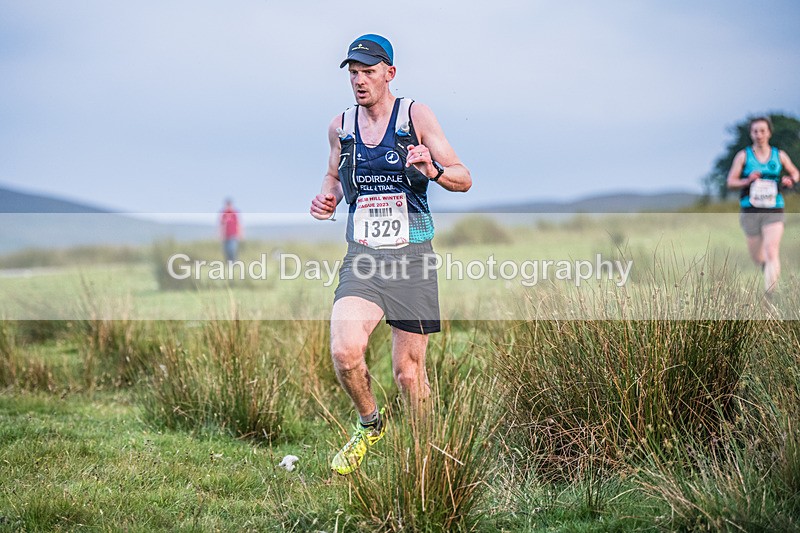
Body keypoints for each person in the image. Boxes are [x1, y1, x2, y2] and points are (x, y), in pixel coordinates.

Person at [309, 34, 471, 475]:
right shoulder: (340, 125)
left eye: (368, 71)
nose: (359, 81)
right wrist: (328, 197)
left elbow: (463, 176)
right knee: (345, 351)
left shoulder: (415, 116)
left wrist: (433, 171)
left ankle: (426, 461)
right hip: (363, 257)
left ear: (389, 73)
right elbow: (333, 177)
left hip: (412, 256)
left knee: (407, 374)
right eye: (353, 73)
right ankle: (370, 425)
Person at [727, 116, 799, 295]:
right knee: (757, 256)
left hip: (774, 208)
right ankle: (767, 270)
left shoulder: (779, 155)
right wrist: (747, 180)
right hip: (750, 209)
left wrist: (790, 179)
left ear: (769, 133)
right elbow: (731, 182)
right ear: (751, 134)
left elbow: (795, 173)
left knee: (771, 250)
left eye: (762, 131)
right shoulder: (743, 156)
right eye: (755, 131)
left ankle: (770, 296)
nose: (759, 135)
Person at [219, 198, 242, 263]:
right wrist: (220, 234)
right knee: (226, 250)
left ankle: (233, 262)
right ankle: (228, 262)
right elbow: (221, 225)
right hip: (225, 235)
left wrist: (240, 234)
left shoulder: (234, 214)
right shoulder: (224, 214)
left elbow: (238, 224)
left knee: (232, 249)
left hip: (233, 235)